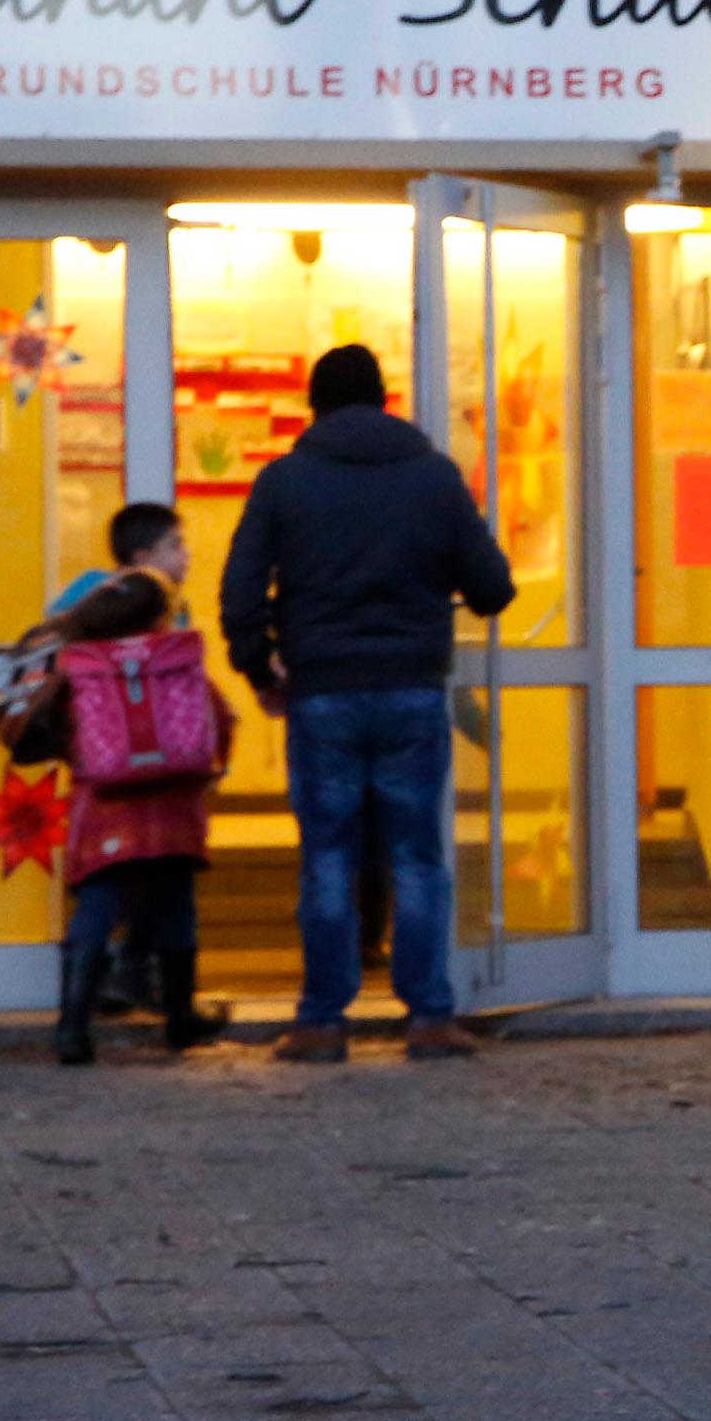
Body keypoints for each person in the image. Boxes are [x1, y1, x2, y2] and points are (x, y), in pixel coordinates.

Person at [219, 345, 514, 1064]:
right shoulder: (434, 477)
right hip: (412, 689)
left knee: (327, 857)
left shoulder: (284, 481)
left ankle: (321, 1022)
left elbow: (239, 594)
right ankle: (430, 1018)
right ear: (386, 401)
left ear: (313, 408)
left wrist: (261, 667)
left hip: (322, 694)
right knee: (416, 855)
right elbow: (493, 587)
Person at [51, 513, 236, 1065]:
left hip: (105, 796)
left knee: (101, 899)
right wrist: (214, 765)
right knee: (176, 899)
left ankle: (72, 1027)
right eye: (176, 545)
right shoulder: (173, 645)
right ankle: (180, 1019)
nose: (187, 554)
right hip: (171, 796)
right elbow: (215, 717)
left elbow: (58, 719)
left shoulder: (80, 653)